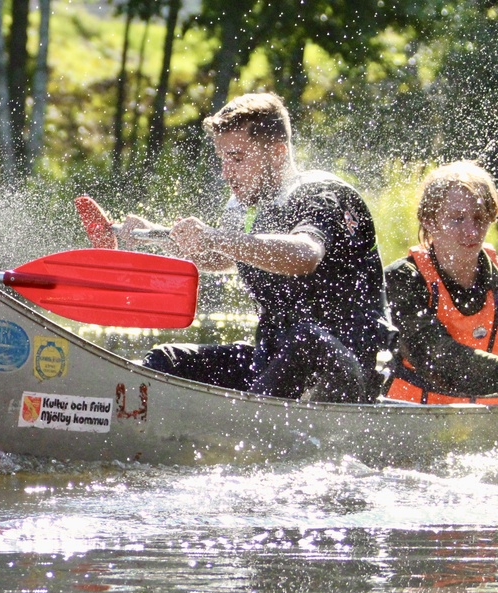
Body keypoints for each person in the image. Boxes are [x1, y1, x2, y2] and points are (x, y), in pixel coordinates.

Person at [118, 92, 392, 403]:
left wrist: (214, 237)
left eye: (237, 159)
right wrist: (153, 235)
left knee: (305, 339)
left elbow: (305, 255)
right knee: (166, 360)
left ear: (277, 153)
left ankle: (244, 423)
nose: (227, 173)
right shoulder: (247, 206)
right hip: (275, 365)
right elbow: (222, 258)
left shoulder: (323, 196)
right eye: (223, 159)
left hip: (342, 373)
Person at [385, 161, 498, 404]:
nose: (471, 232)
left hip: (486, 423)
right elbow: (437, 360)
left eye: (479, 218)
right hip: (414, 419)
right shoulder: (402, 279)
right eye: (457, 219)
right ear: (429, 220)